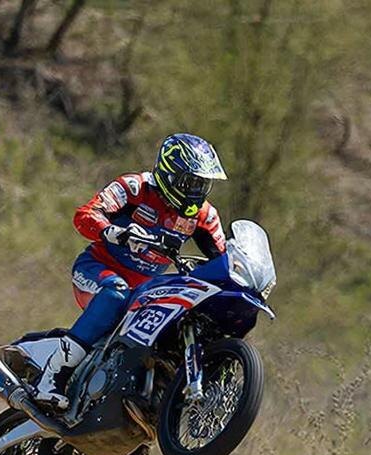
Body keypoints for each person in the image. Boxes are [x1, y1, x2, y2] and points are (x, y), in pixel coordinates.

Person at [34, 133, 228, 406]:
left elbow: (224, 260)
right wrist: (114, 232)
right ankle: (53, 377)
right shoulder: (135, 187)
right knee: (116, 292)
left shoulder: (204, 215)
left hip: (145, 289)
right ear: (169, 175)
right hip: (98, 270)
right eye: (190, 182)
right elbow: (85, 215)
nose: (196, 191)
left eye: (203, 184)